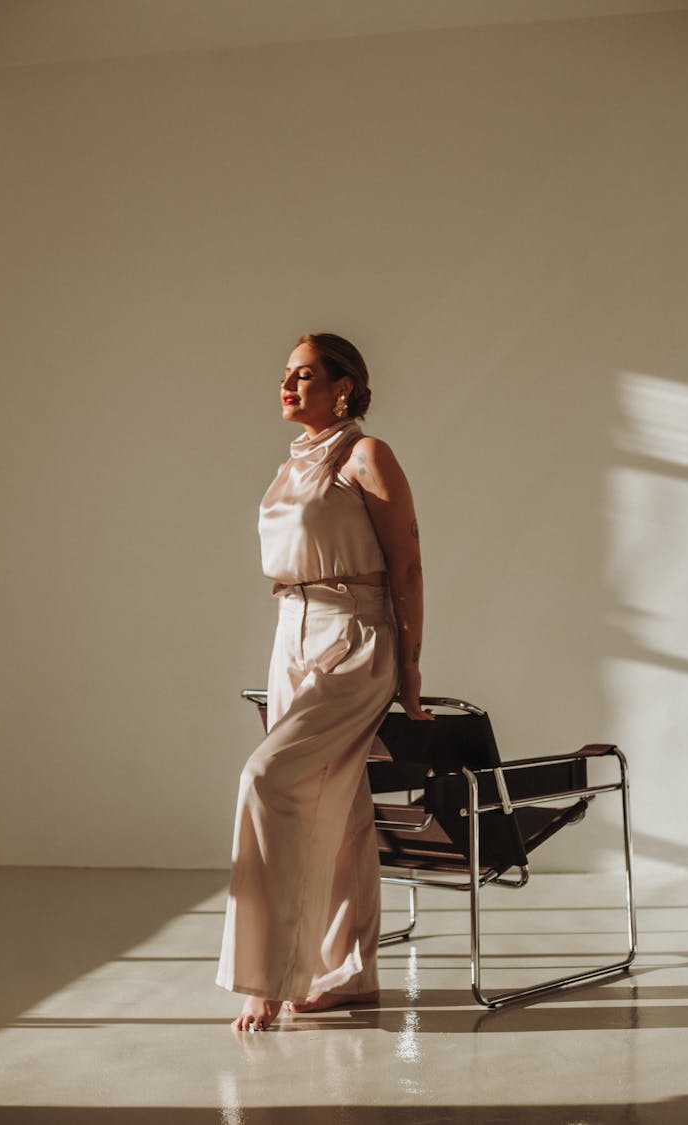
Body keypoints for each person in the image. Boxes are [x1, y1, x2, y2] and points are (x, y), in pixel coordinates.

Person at [215, 332, 432, 1032]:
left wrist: (409, 666)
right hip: (292, 631)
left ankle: (269, 977)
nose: (288, 385)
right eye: (285, 374)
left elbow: (407, 565)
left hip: (355, 633)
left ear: (344, 385)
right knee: (341, 810)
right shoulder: (289, 466)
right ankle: (349, 975)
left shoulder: (367, 454)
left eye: (305, 374)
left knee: (267, 779)